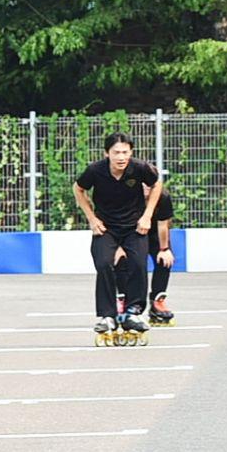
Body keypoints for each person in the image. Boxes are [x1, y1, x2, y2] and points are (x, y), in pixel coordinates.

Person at [74, 132, 163, 340]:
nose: (121, 157)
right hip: (106, 227)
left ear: (131, 152)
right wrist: (91, 219)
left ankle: (133, 311)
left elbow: (157, 184)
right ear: (107, 154)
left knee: (139, 264)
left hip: (135, 226)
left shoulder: (140, 168)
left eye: (125, 152)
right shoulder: (95, 171)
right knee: (104, 263)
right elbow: (78, 189)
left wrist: (147, 216)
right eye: (116, 153)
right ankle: (107, 316)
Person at [114, 185, 177, 325]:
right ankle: (124, 299)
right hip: (130, 232)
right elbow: (117, 222)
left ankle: (157, 301)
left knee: (164, 259)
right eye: (143, 184)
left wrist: (164, 249)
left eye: (150, 185)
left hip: (154, 232)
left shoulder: (163, 197)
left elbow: (163, 225)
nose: (146, 188)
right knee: (122, 260)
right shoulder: (126, 196)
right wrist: (118, 246)